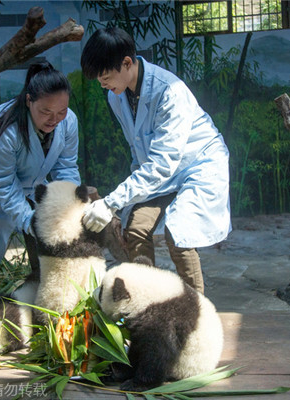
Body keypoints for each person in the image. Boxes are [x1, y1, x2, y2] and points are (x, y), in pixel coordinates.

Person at [80, 27, 231, 294]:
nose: (102, 84)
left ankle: (195, 315)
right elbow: (139, 151)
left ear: (127, 63)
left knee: (179, 234)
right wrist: (123, 205)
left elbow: (162, 163)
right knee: (135, 229)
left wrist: (112, 202)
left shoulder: (169, 91)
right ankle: (146, 303)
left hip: (198, 164)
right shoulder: (116, 96)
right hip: (160, 171)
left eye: (105, 77)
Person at [0, 61, 80, 306]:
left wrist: (70, 204)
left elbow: (66, 167)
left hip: (31, 183)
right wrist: (29, 220)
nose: (55, 119)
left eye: (61, 111)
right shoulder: (4, 129)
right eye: (45, 112)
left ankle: (44, 299)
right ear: (29, 100)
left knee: (46, 233)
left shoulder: (68, 121)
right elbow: (5, 186)